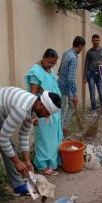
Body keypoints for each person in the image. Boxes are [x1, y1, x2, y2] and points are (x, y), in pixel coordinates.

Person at [25, 48, 62, 176]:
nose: (51, 66)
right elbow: (33, 94)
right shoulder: (36, 72)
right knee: (43, 139)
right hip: (42, 111)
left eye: (53, 64)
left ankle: (52, 163)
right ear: (43, 57)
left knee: (53, 138)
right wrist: (34, 115)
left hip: (53, 110)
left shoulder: (48, 70)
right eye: (49, 62)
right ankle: (42, 165)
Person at [58, 36, 86, 135]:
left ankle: (63, 126)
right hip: (66, 87)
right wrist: (74, 94)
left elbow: (59, 70)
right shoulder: (73, 58)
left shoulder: (66, 53)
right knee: (64, 108)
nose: (82, 50)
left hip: (60, 84)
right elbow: (71, 78)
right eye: (82, 48)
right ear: (80, 46)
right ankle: (60, 131)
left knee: (69, 106)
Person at [84, 34, 102, 118]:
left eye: (97, 40)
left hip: (100, 76)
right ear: (91, 41)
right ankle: (94, 110)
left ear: (99, 41)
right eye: (94, 40)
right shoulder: (89, 52)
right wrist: (85, 76)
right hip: (91, 74)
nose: (96, 42)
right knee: (92, 93)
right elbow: (86, 64)